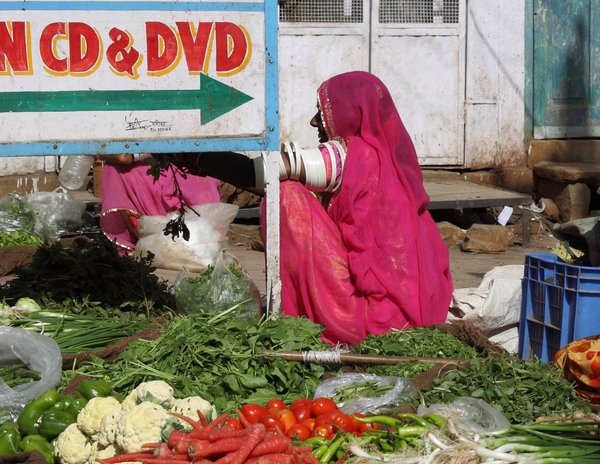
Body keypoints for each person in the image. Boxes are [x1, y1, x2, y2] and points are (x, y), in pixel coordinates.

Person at [174, 72, 454, 343]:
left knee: (288, 193)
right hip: (409, 309)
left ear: (350, 113)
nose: (314, 121)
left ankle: (305, 313)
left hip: (371, 320)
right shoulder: (388, 161)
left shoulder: (350, 154)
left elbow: (261, 173)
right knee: (287, 187)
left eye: (322, 111)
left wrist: (187, 151)